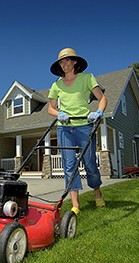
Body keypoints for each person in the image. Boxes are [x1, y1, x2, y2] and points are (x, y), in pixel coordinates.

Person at [47, 48, 107, 215]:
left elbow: (102, 98)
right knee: (69, 166)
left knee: (90, 164)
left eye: (67, 60)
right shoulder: (56, 85)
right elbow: (50, 109)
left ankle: (97, 193)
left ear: (75, 62)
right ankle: (76, 206)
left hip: (84, 125)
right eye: (61, 61)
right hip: (64, 128)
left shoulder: (87, 78)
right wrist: (59, 113)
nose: (64, 64)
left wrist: (99, 112)